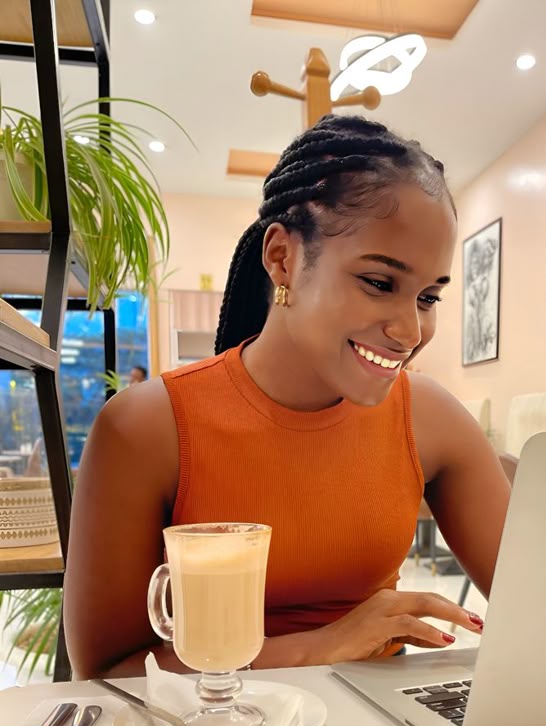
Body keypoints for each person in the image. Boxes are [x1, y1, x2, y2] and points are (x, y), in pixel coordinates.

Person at [64, 114, 510, 680]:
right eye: (379, 283)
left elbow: (541, 603)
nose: (409, 330)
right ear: (282, 258)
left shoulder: (434, 419)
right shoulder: (145, 429)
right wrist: (320, 646)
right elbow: (105, 675)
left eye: (427, 297)